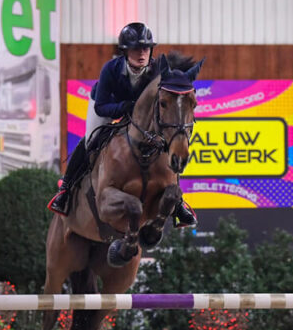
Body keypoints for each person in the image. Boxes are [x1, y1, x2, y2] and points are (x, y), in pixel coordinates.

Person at [47, 22, 197, 228]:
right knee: (90, 140)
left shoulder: (155, 71)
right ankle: (65, 190)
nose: (142, 53)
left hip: (139, 116)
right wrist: (125, 107)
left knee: (165, 145)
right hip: (108, 106)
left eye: (146, 48)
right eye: (136, 49)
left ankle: (178, 203)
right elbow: (101, 107)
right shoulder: (110, 69)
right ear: (125, 51)